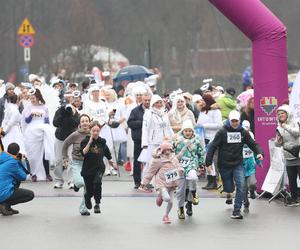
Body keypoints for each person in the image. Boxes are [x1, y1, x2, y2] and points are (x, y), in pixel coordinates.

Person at [205, 110, 263, 219]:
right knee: (229, 188)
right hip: (224, 165)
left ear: (239, 121)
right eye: (233, 121)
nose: (235, 123)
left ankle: (236, 210)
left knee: (241, 185)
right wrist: (208, 162)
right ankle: (229, 190)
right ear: (229, 121)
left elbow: (253, 144)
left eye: (236, 121)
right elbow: (212, 147)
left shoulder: (243, 132)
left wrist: (259, 153)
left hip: (238, 163)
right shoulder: (222, 132)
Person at [80, 121, 117, 214]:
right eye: (93, 131)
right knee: (90, 190)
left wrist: (111, 161)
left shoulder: (102, 141)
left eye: (97, 130)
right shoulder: (85, 141)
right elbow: (83, 153)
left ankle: (97, 204)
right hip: (88, 169)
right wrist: (90, 142)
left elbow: (107, 153)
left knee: (97, 183)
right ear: (90, 131)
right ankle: (87, 197)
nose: (96, 133)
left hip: (99, 168)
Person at [140, 142, 181, 224]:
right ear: (161, 150)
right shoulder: (158, 160)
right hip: (161, 183)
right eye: (165, 150)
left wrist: (180, 170)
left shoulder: (174, 158)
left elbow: (178, 167)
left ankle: (166, 216)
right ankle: (161, 195)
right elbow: (151, 172)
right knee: (167, 198)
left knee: (171, 202)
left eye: (169, 150)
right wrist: (144, 183)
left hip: (172, 183)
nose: (167, 152)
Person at [173, 120, 205, 219]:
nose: (187, 133)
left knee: (193, 178)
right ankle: (181, 208)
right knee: (180, 190)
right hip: (180, 166)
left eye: (189, 131)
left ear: (192, 131)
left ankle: (194, 193)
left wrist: (201, 163)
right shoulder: (177, 139)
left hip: (191, 163)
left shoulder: (196, 140)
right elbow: (170, 151)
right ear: (182, 131)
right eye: (186, 131)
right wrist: (174, 144)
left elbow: (201, 152)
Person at [22, 88, 55, 182]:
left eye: (34, 98)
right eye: (31, 98)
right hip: (32, 131)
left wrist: (46, 128)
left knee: (45, 152)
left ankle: (47, 173)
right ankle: (33, 173)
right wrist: (32, 115)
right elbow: (27, 121)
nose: (32, 100)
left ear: (38, 97)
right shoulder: (28, 108)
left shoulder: (44, 107)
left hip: (42, 131)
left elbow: (47, 121)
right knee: (33, 154)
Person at [62, 114, 91, 215]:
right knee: (80, 182)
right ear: (80, 123)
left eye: (86, 121)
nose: (85, 123)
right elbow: (65, 144)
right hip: (77, 162)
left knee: (88, 188)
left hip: (89, 164)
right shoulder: (75, 134)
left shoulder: (92, 134)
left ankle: (83, 209)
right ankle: (76, 184)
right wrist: (65, 158)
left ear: (89, 122)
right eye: (82, 121)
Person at [140, 95, 173, 180]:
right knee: (150, 164)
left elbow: (168, 127)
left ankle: (166, 182)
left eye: (160, 102)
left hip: (165, 142)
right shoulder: (148, 113)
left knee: (167, 163)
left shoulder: (164, 113)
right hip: (153, 142)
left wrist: (172, 138)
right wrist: (144, 142)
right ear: (153, 103)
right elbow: (145, 128)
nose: (159, 104)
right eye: (157, 103)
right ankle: (145, 182)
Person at [52, 96, 80, 189]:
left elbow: (76, 124)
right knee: (58, 160)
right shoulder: (59, 111)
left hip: (71, 138)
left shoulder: (74, 111)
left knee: (71, 159)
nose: (66, 107)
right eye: (64, 104)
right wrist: (62, 114)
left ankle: (71, 181)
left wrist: (70, 115)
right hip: (60, 138)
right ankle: (59, 180)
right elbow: (55, 123)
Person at [275, 105, 300, 206]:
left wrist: (286, 127)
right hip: (288, 155)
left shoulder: (295, 121)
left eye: (282, 113)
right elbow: (277, 144)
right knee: (292, 179)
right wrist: (278, 141)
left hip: (298, 155)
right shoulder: (278, 127)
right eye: (279, 114)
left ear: (287, 114)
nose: (280, 115)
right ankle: (294, 199)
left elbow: (298, 133)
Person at [0, 143, 34, 216]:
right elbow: (24, 177)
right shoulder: (12, 162)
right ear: (17, 152)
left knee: (15, 179)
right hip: (2, 193)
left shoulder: (2, 157)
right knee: (30, 195)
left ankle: (6, 206)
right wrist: (23, 161)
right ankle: (4, 204)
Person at [197, 94, 223, 190]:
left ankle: (214, 180)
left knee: (211, 160)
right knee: (206, 159)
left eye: (203, 100)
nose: (202, 102)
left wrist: (205, 125)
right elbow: (199, 123)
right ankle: (209, 181)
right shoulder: (203, 111)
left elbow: (219, 125)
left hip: (213, 138)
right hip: (203, 137)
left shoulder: (215, 111)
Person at [127, 94, 151, 189]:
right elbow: (130, 123)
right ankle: (137, 181)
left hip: (150, 140)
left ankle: (147, 181)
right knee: (138, 160)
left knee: (150, 161)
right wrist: (142, 122)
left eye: (149, 100)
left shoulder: (153, 110)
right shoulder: (135, 111)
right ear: (142, 100)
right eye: (145, 100)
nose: (147, 102)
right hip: (138, 139)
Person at [241, 120, 262, 213]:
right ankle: (246, 204)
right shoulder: (239, 141)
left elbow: (255, 153)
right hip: (241, 168)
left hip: (250, 167)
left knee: (252, 183)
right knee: (243, 188)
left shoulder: (251, 139)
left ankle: (252, 191)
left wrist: (258, 162)